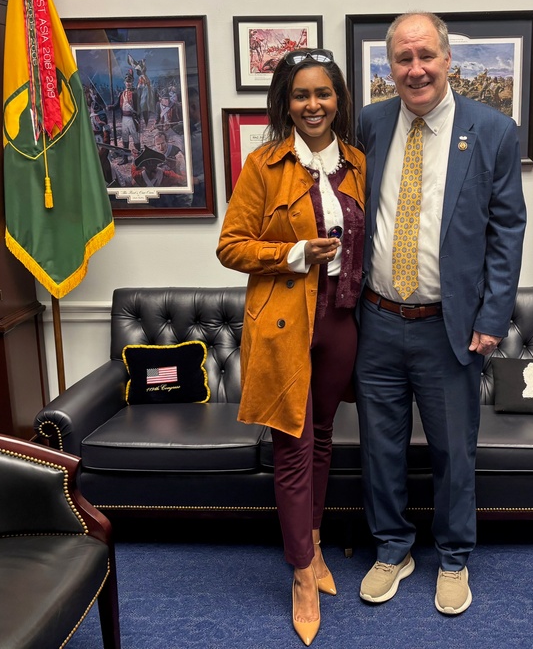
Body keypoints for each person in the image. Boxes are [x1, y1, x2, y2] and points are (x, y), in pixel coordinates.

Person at [354, 12, 526, 616]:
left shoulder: (493, 131)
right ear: (390, 68)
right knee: (380, 446)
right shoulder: (370, 124)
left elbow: (508, 231)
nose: (415, 68)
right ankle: (393, 549)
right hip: (375, 319)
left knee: (456, 448)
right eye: (403, 59)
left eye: (425, 55)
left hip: (449, 325)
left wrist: (493, 315)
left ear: (448, 60)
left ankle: (454, 558)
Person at [217, 49, 365, 646]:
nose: (313, 105)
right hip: (284, 322)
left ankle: (317, 543)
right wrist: (294, 253)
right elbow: (230, 247)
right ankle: (303, 573)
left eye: (323, 94)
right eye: (301, 95)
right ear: (285, 103)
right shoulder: (263, 164)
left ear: (338, 100)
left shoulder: (356, 161)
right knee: (293, 445)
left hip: (343, 321)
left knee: (324, 438)